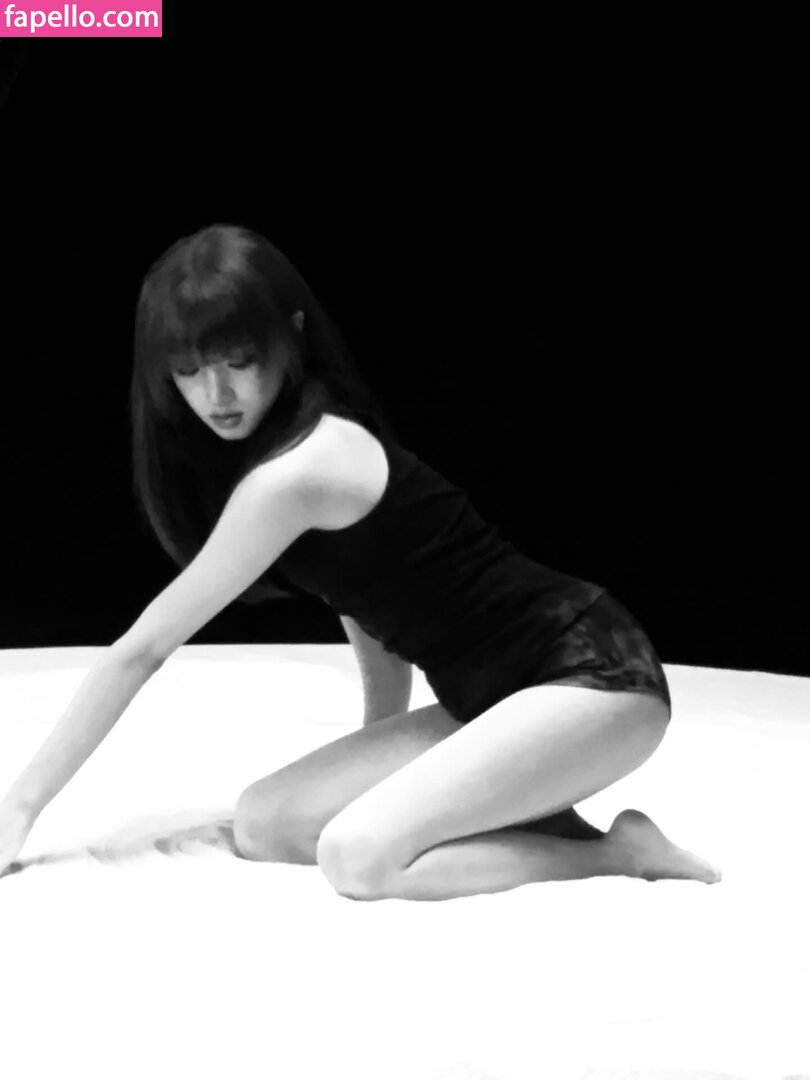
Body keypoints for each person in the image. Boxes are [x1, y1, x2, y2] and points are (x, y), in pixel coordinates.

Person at [0, 224, 721, 898]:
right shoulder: (291, 448)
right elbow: (367, 603)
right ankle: (532, 809)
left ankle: (619, 854)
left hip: (596, 677)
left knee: (358, 856)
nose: (216, 395)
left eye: (239, 362)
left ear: (292, 335)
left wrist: (19, 807)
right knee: (265, 824)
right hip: (497, 697)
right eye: (188, 371)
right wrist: (377, 753)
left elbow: (142, 650)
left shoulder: (298, 471)